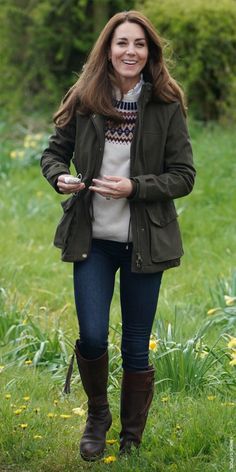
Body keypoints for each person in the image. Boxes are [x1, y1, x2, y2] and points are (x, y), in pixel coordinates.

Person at [41, 10, 195, 462]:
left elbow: (184, 176)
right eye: (122, 43)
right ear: (108, 49)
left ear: (150, 54)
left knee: (134, 341)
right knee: (91, 334)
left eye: (140, 45)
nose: (131, 51)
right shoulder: (85, 98)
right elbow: (54, 154)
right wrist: (59, 178)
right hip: (93, 238)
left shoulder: (166, 104)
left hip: (146, 243)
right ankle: (97, 416)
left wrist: (136, 187)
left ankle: (131, 436)